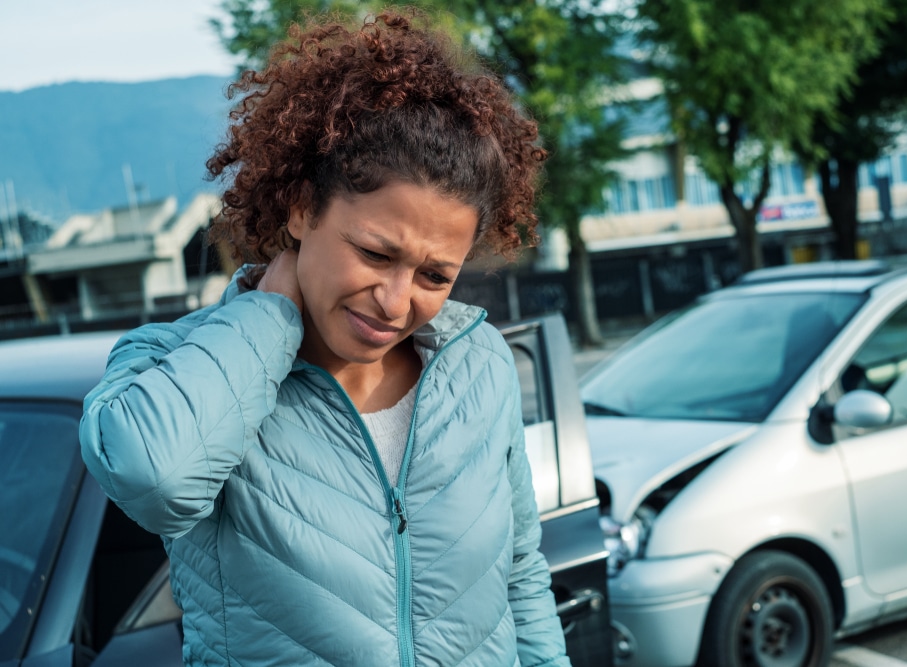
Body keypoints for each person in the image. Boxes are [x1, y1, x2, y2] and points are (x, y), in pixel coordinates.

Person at [79, 9, 570, 667]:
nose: (397, 302)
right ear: (303, 206)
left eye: (434, 274)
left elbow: (520, 576)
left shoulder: (478, 361)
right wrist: (268, 317)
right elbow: (154, 480)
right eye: (374, 253)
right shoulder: (174, 364)